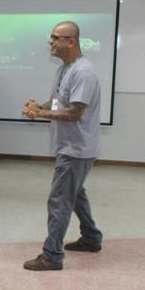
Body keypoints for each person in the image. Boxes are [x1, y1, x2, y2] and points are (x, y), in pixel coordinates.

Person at [22, 21, 103, 271]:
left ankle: (52, 255)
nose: (51, 41)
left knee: (59, 200)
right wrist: (41, 107)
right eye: (52, 37)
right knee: (75, 194)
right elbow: (60, 103)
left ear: (71, 41)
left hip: (76, 149)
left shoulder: (84, 72)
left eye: (56, 38)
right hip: (69, 146)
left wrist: (41, 115)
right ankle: (91, 238)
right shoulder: (65, 69)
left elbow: (75, 112)